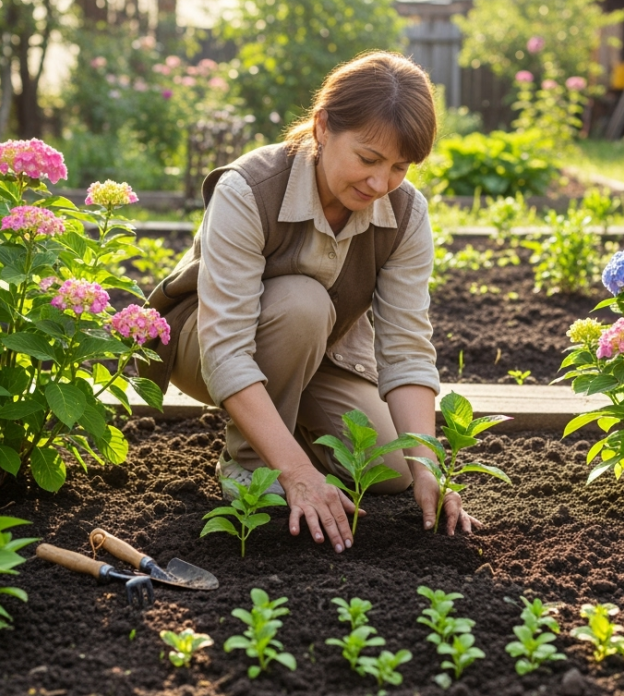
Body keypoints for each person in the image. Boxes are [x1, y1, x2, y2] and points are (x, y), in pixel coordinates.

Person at [145, 51, 479, 554]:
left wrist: (428, 467)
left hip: (321, 351)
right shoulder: (248, 189)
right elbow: (225, 351)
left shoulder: (406, 212)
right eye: (368, 159)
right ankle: (251, 464)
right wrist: (298, 473)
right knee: (302, 304)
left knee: (386, 470)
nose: (379, 183)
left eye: (399, 167)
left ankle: (281, 429)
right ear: (323, 126)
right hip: (203, 345)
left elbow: (406, 349)